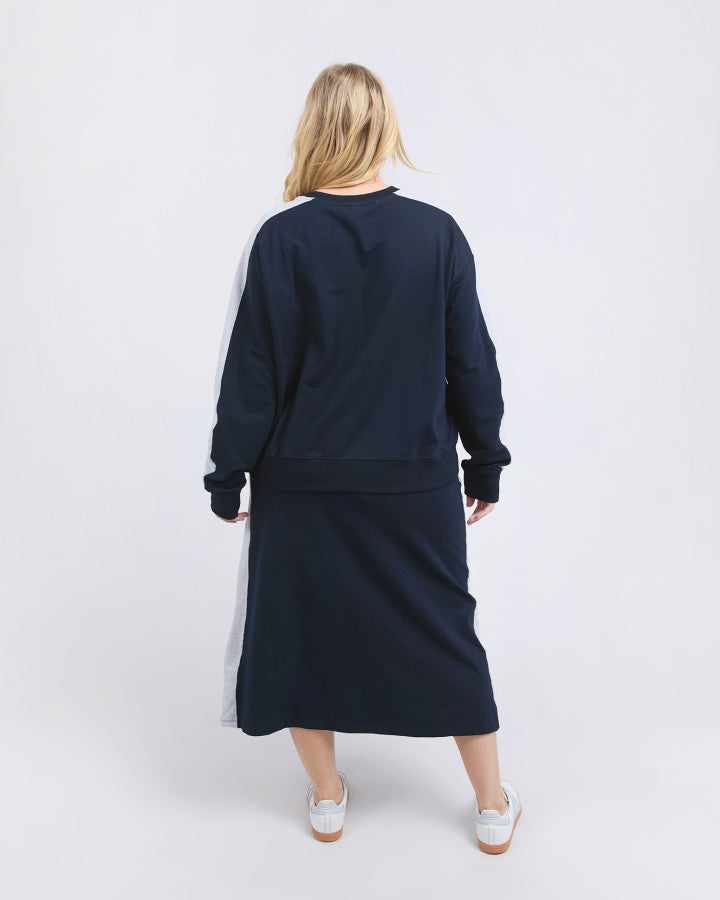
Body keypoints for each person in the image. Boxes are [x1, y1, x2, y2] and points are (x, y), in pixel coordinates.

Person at [203, 62, 521, 853]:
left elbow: (251, 375)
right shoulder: (437, 235)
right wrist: (484, 462)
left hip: (302, 483)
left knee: (298, 637)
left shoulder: (281, 239)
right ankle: (491, 807)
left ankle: (327, 797)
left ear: (313, 129)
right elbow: (471, 362)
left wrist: (228, 473)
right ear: (385, 129)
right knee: (447, 635)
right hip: (413, 481)